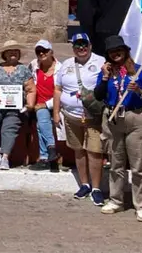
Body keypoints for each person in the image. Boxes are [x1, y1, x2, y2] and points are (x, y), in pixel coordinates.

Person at [94, 35, 142, 222]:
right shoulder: (107, 72)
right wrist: (105, 78)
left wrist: (139, 90)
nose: (116, 54)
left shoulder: (139, 71)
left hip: (136, 118)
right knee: (116, 163)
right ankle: (116, 200)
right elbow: (98, 96)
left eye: (119, 50)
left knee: (139, 165)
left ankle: (141, 205)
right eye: (112, 51)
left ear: (126, 51)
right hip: (114, 118)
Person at [53, 33, 106, 206]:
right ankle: (84, 184)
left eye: (84, 45)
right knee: (79, 150)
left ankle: (97, 188)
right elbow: (58, 89)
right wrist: (56, 112)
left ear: (90, 45)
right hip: (71, 116)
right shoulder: (67, 64)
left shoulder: (100, 62)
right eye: (77, 45)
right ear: (73, 48)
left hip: (93, 116)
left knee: (94, 152)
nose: (81, 48)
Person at [0, 40, 35, 171]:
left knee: (10, 126)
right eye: (10, 51)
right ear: (4, 54)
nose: (13, 53)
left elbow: (31, 89)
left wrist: (29, 105)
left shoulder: (24, 70)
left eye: (16, 51)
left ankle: (5, 157)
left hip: (16, 105)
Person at [28, 40, 60, 172]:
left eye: (45, 51)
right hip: (38, 104)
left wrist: (45, 104)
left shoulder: (61, 68)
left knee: (41, 119)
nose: (41, 53)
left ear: (51, 52)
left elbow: (62, 92)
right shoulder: (33, 65)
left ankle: (45, 155)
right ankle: (49, 154)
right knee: (41, 122)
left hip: (55, 103)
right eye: (38, 51)